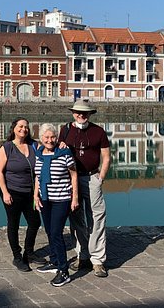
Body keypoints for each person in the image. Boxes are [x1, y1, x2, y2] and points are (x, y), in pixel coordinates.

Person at [59, 99, 111, 278]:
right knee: (76, 218)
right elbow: (56, 152)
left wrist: (101, 177)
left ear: (90, 114)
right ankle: (82, 255)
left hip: (91, 177)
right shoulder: (65, 130)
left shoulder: (98, 131)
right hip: (71, 180)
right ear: (73, 113)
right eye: (77, 112)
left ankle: (97, 260)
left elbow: (106, 156)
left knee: (97, 217)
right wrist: (61, 146)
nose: (81, 115)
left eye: (84, 113)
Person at [0, 117, 45, 272]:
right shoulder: (7, 147)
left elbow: (49, 150)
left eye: (26, 127)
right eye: (20, 126)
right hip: (12, 191)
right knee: (13, 224)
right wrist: (5, 192)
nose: (24, 129)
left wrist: (61, 144)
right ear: (14, 128)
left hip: (31, 192)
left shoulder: (34, 145)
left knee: (35, 222)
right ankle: (17, 257)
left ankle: (29, 252)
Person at [33, 124, 79, 287]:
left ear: (57, 138)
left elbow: (73, 175)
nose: (50, 140)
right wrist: (35, 195)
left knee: (56, 233)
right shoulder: (39, 154)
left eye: (53, 137)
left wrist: (75, 198)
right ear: (41, 138)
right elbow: (38, 176)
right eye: (46, 137)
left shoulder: (64, 154)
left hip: (62, 199)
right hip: (45, 199)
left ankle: (64, 270)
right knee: (48, 231)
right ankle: (54, 261)